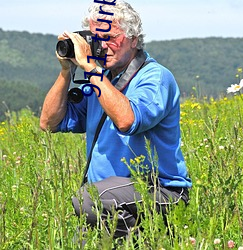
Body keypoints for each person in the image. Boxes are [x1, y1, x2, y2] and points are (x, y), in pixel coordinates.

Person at [40, 0, 192, 244]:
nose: (102, 46)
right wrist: (66, 70)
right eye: (95, 38)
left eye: (110, 37)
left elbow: (127, 120)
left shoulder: (154, 77)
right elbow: (49, 123)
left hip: (160, 192)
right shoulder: (100, 81)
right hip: (110, 199)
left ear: (133, 38)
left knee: (88, 199)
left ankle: (146, 241)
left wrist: (90, 68)